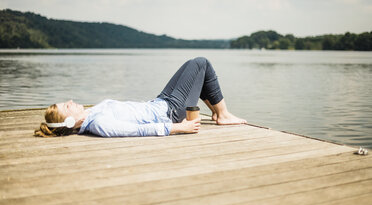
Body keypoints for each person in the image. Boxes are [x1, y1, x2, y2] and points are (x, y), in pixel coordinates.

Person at [35, 57, 247, 137]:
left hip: (161, 103)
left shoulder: (90, 115)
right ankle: (223, 115)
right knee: (201, 64)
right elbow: (137, 130)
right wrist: (178, 128)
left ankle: (221, 114)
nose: (71, 102)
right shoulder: (99, 123)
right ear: (70, 121)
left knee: (193, 67)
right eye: (68, 107)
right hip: (170, 113)